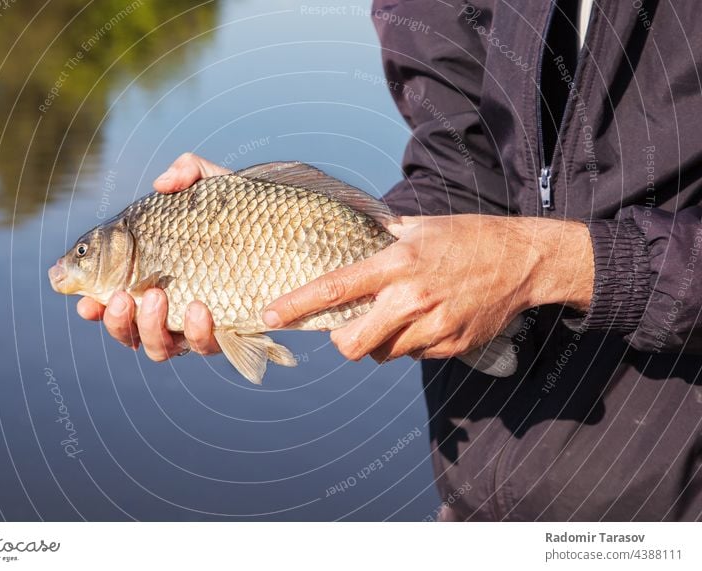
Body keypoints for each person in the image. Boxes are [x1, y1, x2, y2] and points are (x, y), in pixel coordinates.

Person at [79, 0, 702, 521]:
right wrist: (274, 233)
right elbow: (459, 158)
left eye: (83, 256)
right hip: (477, 499)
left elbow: (536, 248)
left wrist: (557, 263)